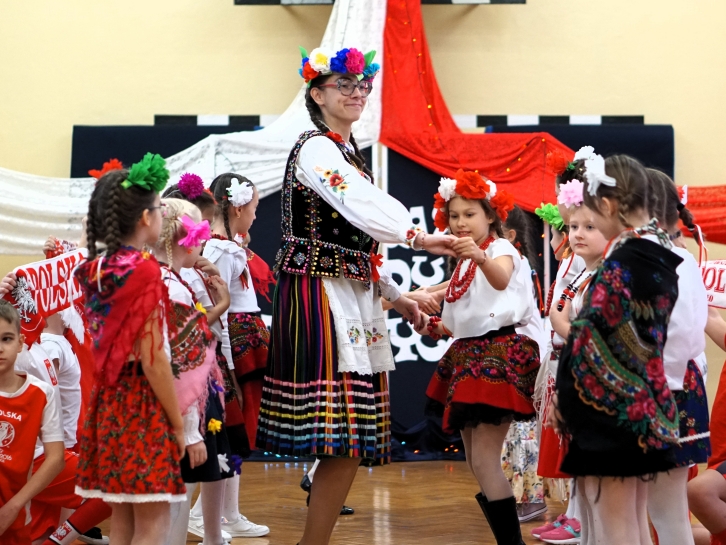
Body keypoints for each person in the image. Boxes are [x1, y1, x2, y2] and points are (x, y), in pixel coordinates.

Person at [255, 45, 456, 545]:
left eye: (362, 84)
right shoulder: (317, 149)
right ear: (317, 94)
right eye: (344, 84)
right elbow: (358, 202)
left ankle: (313, 541)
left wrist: (399, 297)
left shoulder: (347, 152)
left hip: (348, 293)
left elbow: (355, 245)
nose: (356, 92)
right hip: (319, 296)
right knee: (340, 432)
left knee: (349, 437)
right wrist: (417, 236)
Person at [553, 153, 682, 545]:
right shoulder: (659, 255)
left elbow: (591, 338)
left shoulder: (623, 263)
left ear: (608, 206)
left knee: (616, 527)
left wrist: (567, 400)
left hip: (613, 412)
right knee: (630, 522)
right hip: (643, 402)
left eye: (593, 214)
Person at [417, 171, 537, 545]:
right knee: (475, 460)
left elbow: (500, 280)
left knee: (484, 459)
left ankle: (511, 543)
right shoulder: (466, 263)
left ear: (490, 216)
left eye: (469, 214)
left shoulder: (500, 250)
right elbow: (463, 319)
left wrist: (480, 255)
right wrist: (433, 326)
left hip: (497, 354)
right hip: (472, 353)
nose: (460, 222)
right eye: (454, 216)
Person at [73, 154, 187, 545]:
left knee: (122, 521)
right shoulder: (144, 270)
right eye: (158, 208)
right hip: (142, 406)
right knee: (153, 524)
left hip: (108, 404)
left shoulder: (93, 269)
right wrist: (176, 422)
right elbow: (154, 359)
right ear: (144, 218)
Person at [152, 198, 236, 545]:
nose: (203, 245)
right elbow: (180, 360)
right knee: (166, 507)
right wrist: (189, 431)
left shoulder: (148, 276)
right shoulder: (172, 288)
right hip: (169, 406)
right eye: (199, 236)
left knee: (145, 511)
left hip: (144, 405)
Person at [644, 169, 709, 545]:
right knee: (658, 510)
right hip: (663, 386)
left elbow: (683, 334)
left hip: (667, 389)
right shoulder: (661, 257)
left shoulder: (672, 261)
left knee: (665, 510)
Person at [0, 300, 65, 545]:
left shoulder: (40, 393)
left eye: (6, 339)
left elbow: (56, 459)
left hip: (13, 519)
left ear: (20, 343)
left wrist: (13, 507)